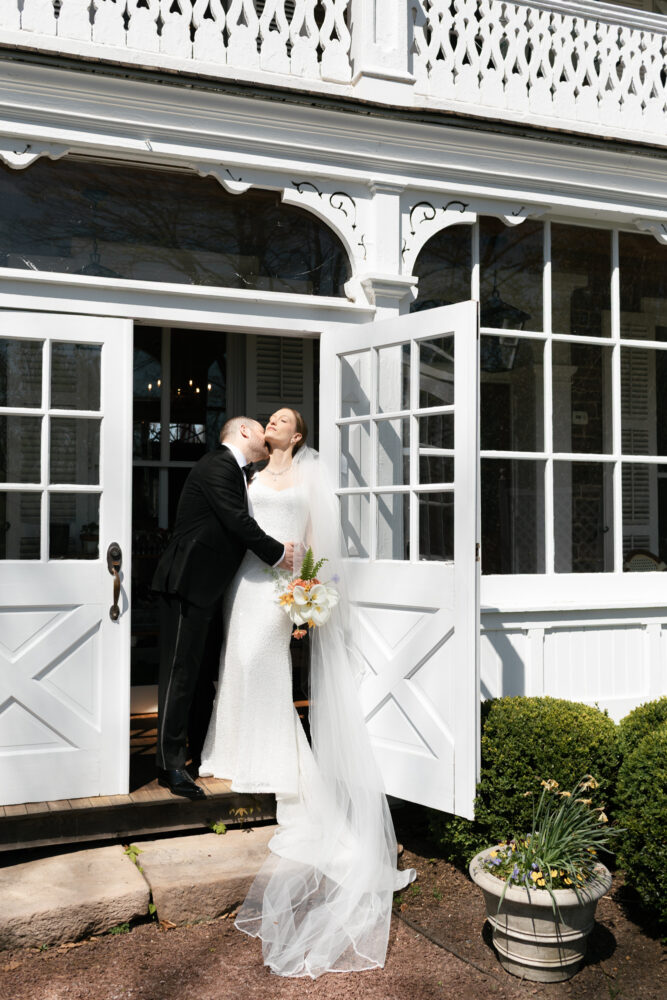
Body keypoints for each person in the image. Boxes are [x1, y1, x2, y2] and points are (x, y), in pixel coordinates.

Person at [200, 407, 416, 978]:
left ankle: (281, 762)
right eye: (267, 417)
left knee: (262, 661)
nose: (270, 421)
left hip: (280, 589)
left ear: (296, 436)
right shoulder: (245, 478)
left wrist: (309, 597)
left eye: (282, 418)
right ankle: (237, 748)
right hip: (245, 583)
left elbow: (318, 542)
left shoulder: (309, 479)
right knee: (239, 663)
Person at [151, 417, 295, 800]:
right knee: (181, 675)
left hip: (210, 589)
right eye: (260, 432)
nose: (266, 438)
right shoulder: (218, 464)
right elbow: (237, 521)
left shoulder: (239, 471)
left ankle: (193, 752)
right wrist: (280, 554)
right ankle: (170, 765)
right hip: (187, 583)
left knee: (198, 678)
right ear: (244, 432)